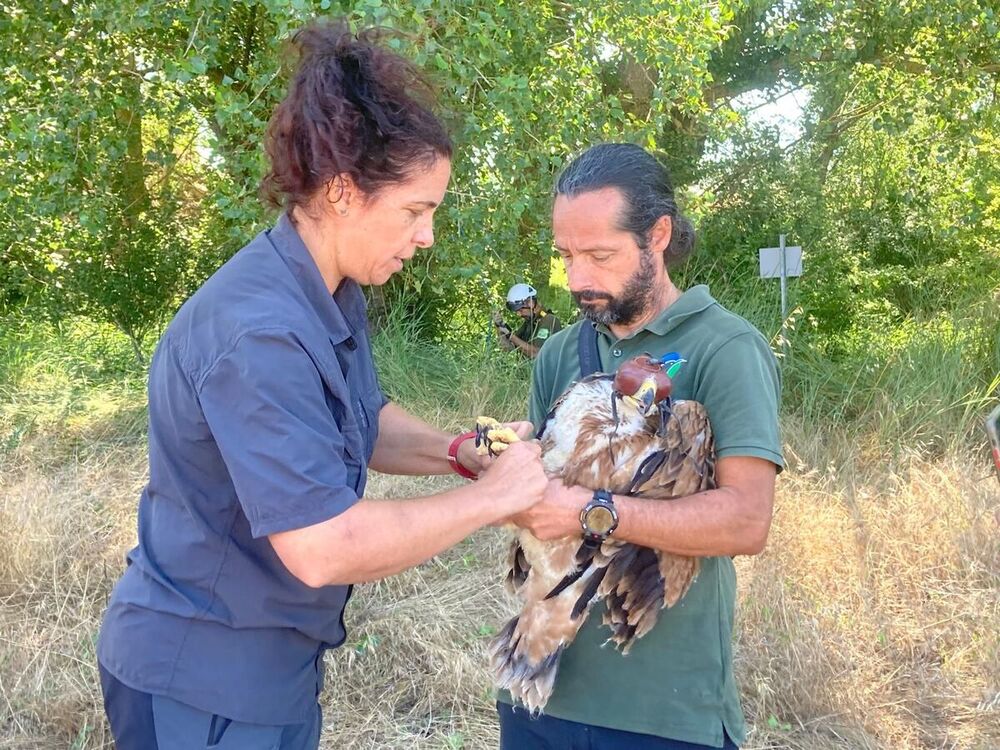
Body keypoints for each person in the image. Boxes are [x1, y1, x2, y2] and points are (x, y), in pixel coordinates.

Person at [95, 20, 548, 750]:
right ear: (341, 192)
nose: (427, 235)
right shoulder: (260, 333)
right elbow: (324, 546)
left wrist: (459, 452)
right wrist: (493, 499)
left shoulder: (328, 291)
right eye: (415, 210)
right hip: (202, 682)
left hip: (269, 674)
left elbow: (361, 418)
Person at [496, 143, 783, 749]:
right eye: (566, 256)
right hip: (538, 694)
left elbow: (746, 521)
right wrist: (503, 464)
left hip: (661, 713)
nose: (577, 279)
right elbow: (535, 500)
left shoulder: (726, 349)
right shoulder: (558, 353)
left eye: (600, 255)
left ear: (658, 235)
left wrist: (594, 511)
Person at [493, 283, 562, 358]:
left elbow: (536, 353)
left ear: (531, 303)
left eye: (520, 310)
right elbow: (509, 349)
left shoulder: (549, 320)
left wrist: (510, 335)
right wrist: (500, 328)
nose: (519, 314)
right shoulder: (530, 322)